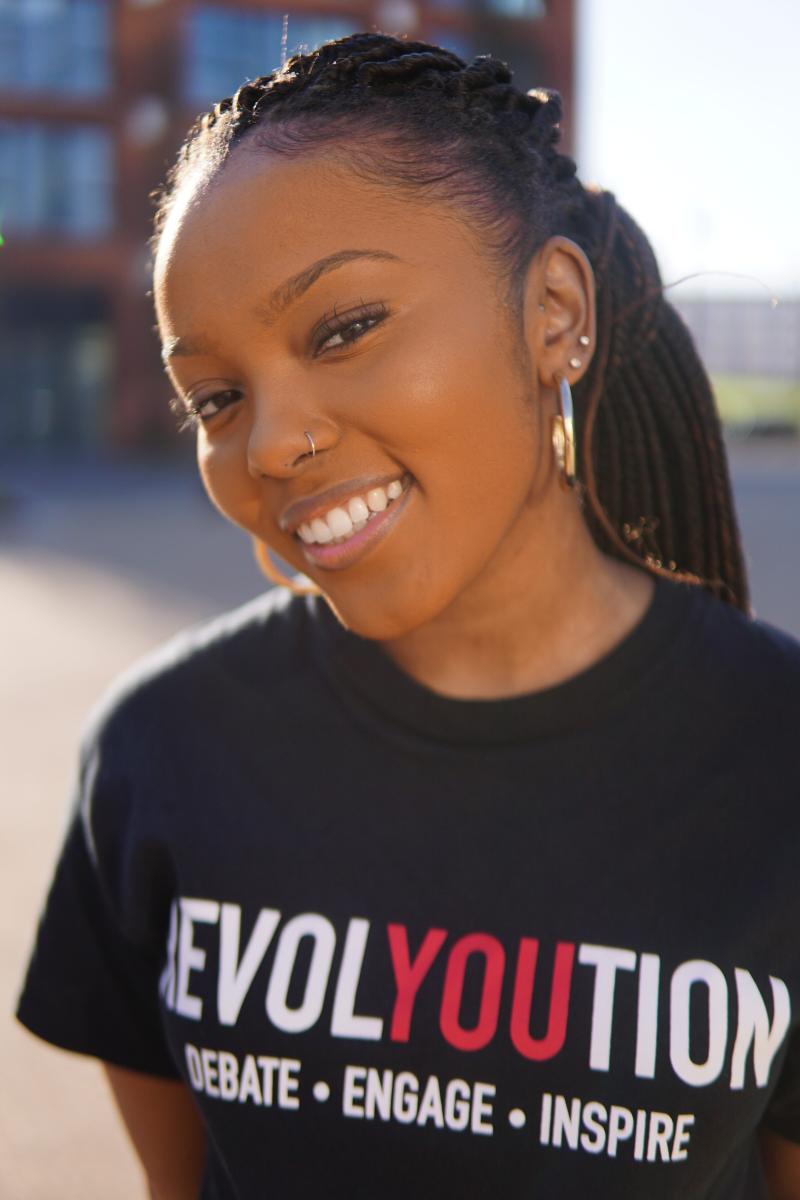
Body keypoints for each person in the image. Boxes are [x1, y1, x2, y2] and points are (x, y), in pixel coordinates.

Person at [15, 31, 800, 1200]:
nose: (269, 444)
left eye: (342, 329)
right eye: (215, 398)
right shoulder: (158, 751)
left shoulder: (773, 759)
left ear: (551, 312)